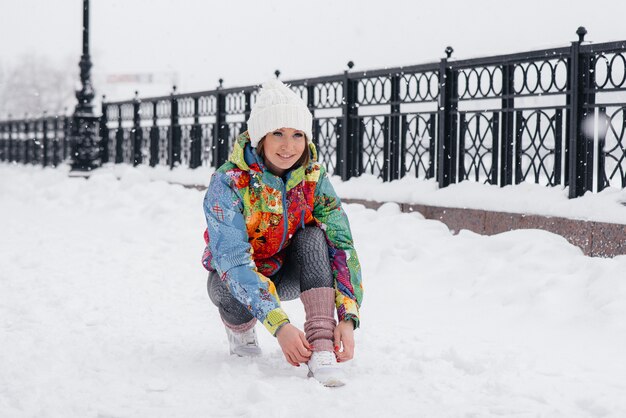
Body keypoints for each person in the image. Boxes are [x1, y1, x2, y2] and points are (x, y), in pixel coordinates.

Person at [201, 79, 363, 387]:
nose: (288, 146)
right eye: (277, 133)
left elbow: (342, 246)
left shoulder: (313, 179)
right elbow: (232, 260)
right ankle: (242, 329)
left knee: (316, 237)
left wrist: (347, 317)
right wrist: (280, 325)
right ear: (261, 137)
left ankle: (322, 346)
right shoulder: (229, 183)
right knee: (228, 287)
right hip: (235, 278)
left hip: (287, 272)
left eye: (297, 135)